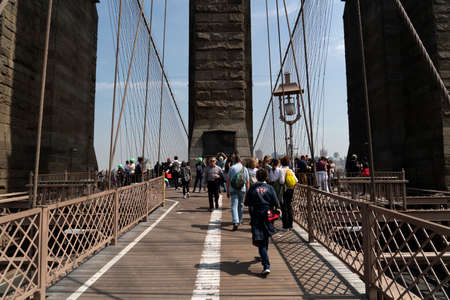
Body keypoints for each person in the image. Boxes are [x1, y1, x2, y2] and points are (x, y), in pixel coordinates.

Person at [245, 168, 279, 276]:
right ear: (266, 177)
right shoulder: (270, 188)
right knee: (265, 238)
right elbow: (276, 202)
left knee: (260, 242)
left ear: (257, 177)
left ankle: (266, 265)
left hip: (256, 215)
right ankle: (264, 256)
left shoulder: (252, 188)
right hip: (268, 215)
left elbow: (247, 202)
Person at [226, 155, 249, 230]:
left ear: (234, 161)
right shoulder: (244, 168)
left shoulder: (232, 168)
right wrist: (247, 191)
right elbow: (247, 181)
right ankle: (240, 220)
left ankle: (235, 222)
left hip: (233, 189)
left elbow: (228, 180)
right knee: (241, 205)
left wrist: (227, 191)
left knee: (234, 205)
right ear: (240, 161)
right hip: (242, 189)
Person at [279, 156, 298, 230]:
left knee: (284, 207)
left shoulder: (281, 170)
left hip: (284, 190)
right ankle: (291, 225)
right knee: (289, 206)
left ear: (281, 162)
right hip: (291, 189)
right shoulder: (290, 170)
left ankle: (285, 226)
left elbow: (282, 181)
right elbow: (296, 180)